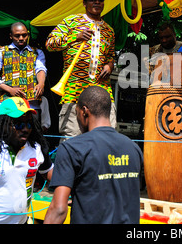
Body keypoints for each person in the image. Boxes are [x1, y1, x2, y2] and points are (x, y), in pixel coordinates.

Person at [44, 86, 143, 224]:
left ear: (84, 111)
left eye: (76, 112)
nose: (77, 118)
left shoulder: (71, 148)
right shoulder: (133, 148)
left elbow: (59, 209)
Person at [45, 0, 116, 137]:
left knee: (106, 137)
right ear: (84, 2)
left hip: (101, 91)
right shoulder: (71, 21)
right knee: (72, 137)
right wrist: (75, 37)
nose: (97, 1)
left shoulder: (109, 31)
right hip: (74, 90)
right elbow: (50, 44)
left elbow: (110, 56)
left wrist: (110, 65)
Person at [0, 22, 47, 115]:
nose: (21, 38)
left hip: (31, 105)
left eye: (24, 35)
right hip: (7, 103)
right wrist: (10, 90)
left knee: (31, 129)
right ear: (11, 36)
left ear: (28, 35)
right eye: (17, 36)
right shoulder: (1, 52)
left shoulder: (37, 52)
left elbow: (40, 69)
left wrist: (41, 84)